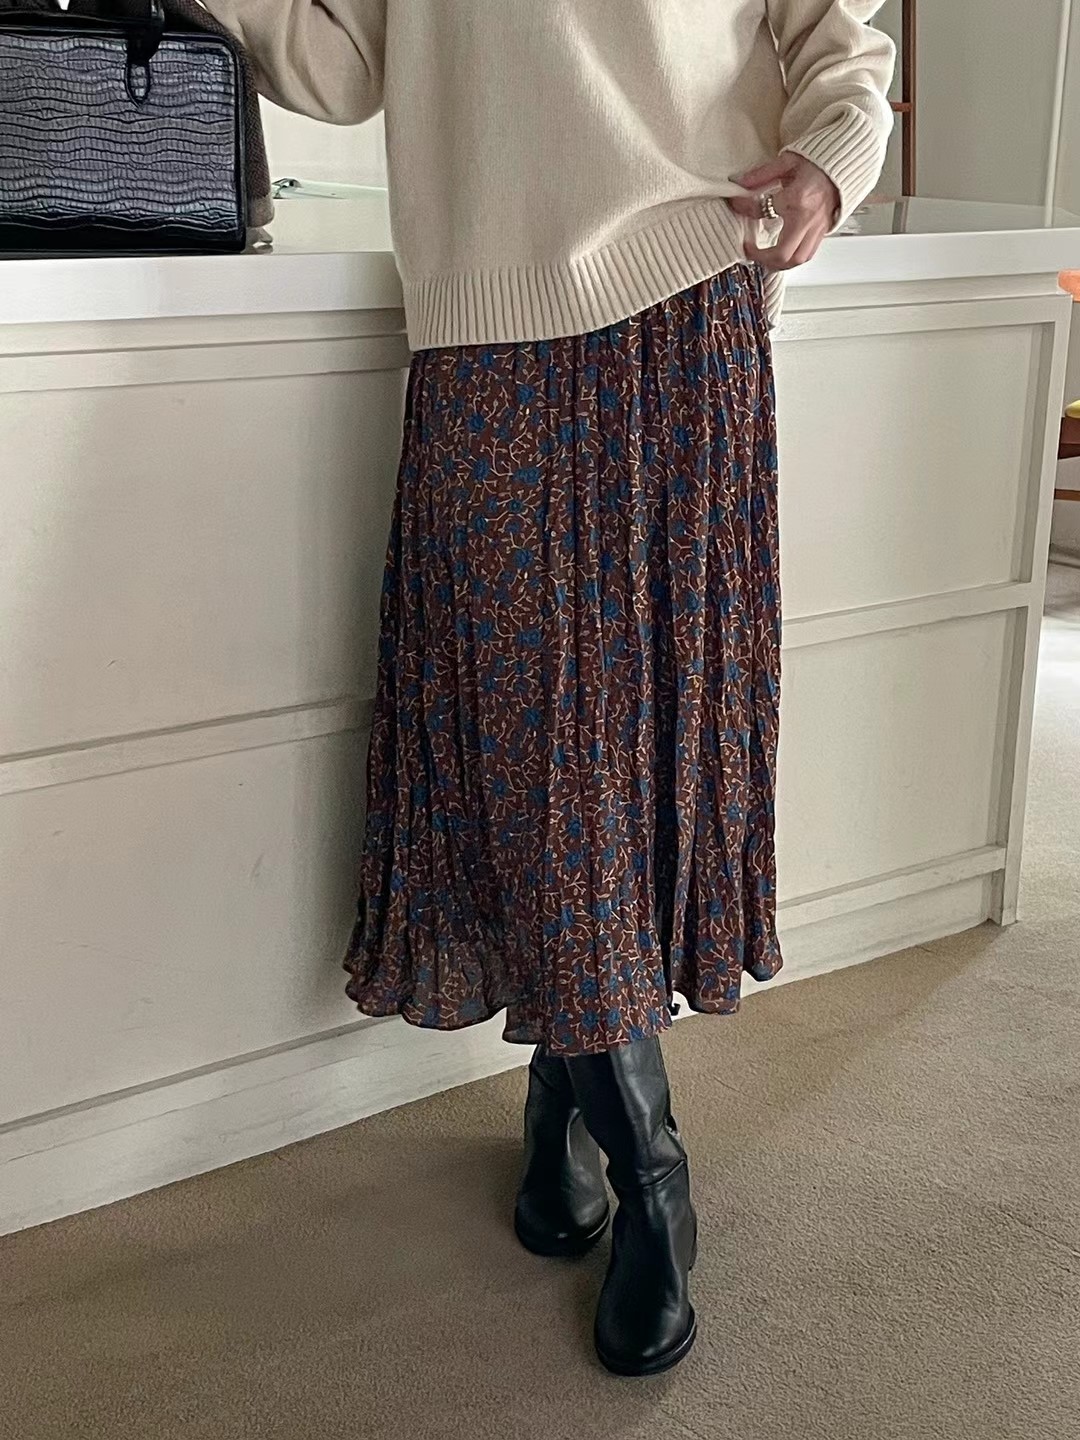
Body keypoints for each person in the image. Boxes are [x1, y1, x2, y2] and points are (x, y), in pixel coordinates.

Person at [205, 0, 895, 1376]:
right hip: (484, 331)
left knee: (627, 754)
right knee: (528, 756)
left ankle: (579, 1114)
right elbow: (347, 64)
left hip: (686, 293)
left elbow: (840, 35)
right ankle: (650, 1168)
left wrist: (833, 156)